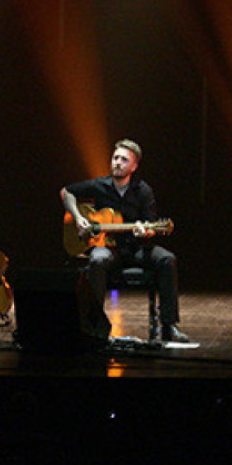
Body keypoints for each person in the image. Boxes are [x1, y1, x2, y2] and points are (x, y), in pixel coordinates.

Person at [61, 139, 189, 344]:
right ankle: (93, 325)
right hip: (108, 248)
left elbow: (151, 225)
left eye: (124, 159)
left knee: (167, 259)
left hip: (134, 248)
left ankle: (168, 326)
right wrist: (78, 218)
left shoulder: (143, 191)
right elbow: (66, 192)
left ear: (134, 166)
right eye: (115, 158)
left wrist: (145, 232)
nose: (117, 162)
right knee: (97, 259)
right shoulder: (99, 185)